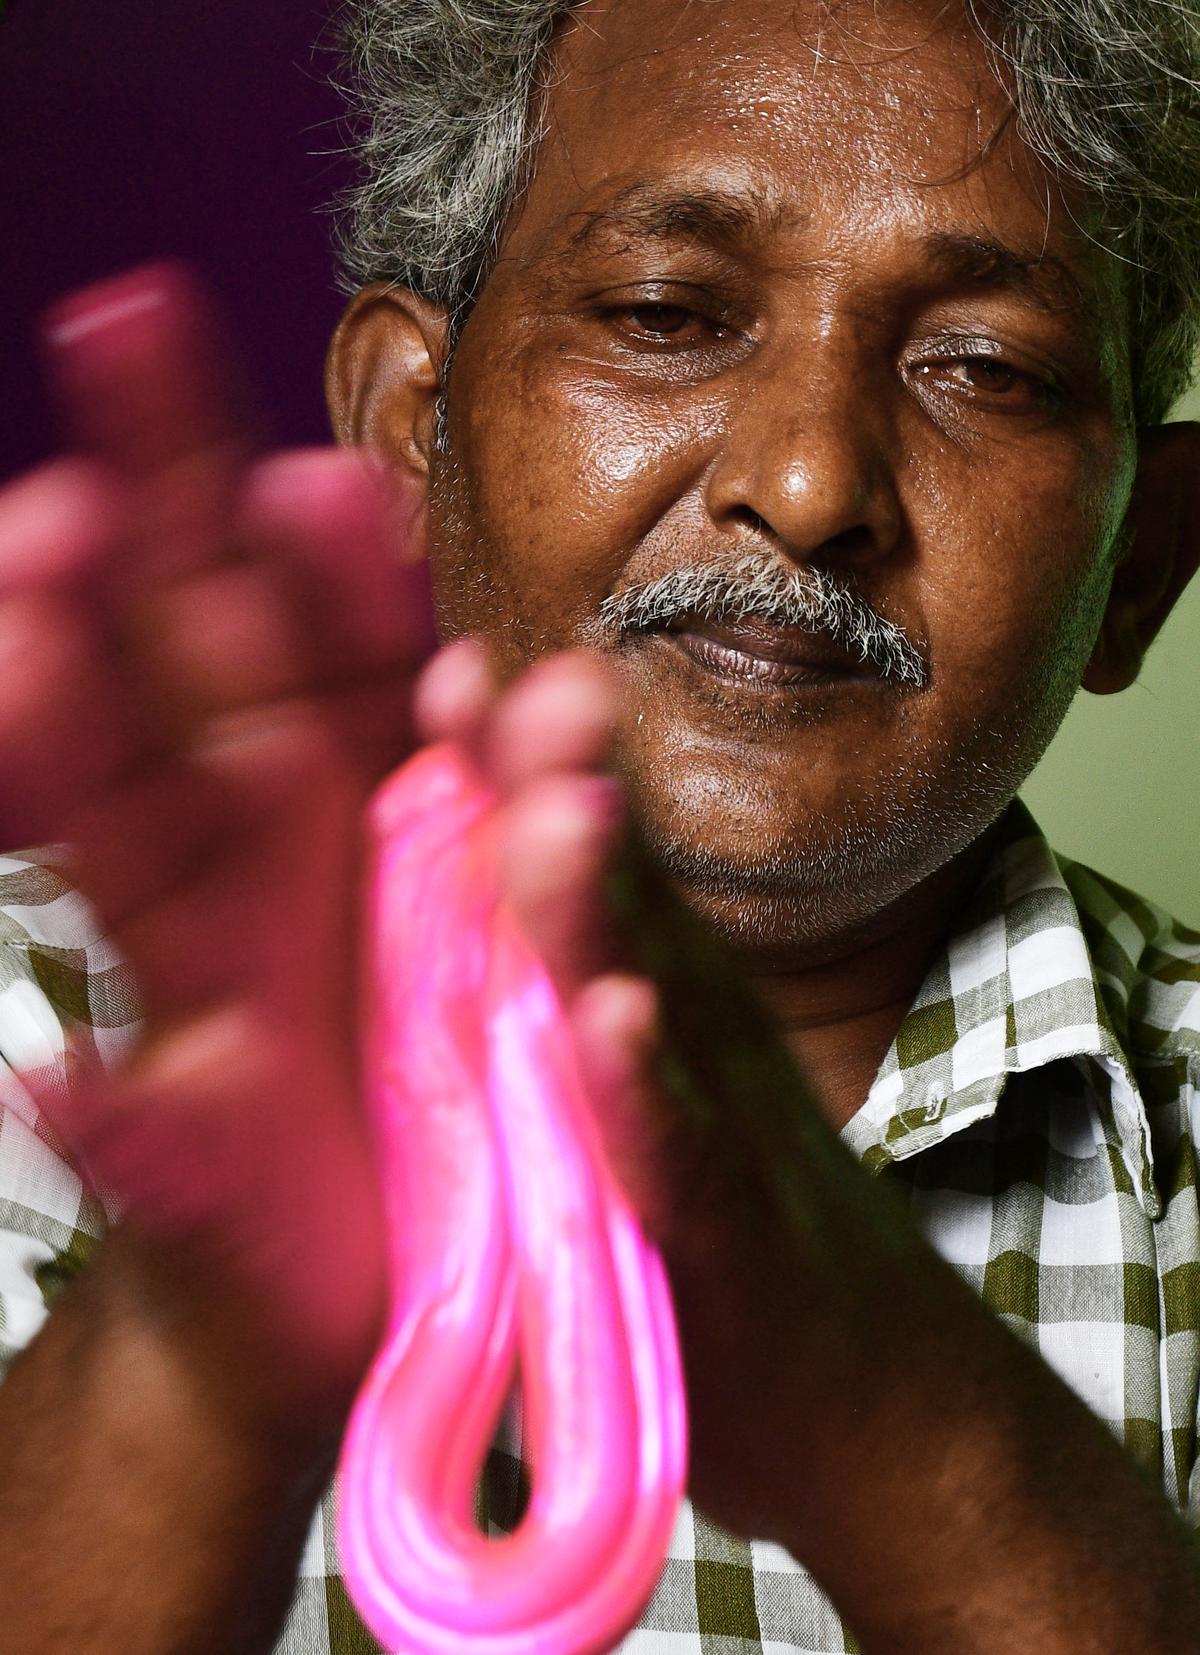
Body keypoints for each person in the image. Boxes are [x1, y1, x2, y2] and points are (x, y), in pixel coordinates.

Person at [0, 0, 1199, 1649]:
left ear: (1142, 564)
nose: (807, 480)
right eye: (665, 311)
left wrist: (895, 1398)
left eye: (984, 366)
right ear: (407, 429)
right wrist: (192, 1355)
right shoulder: (29, 1036)